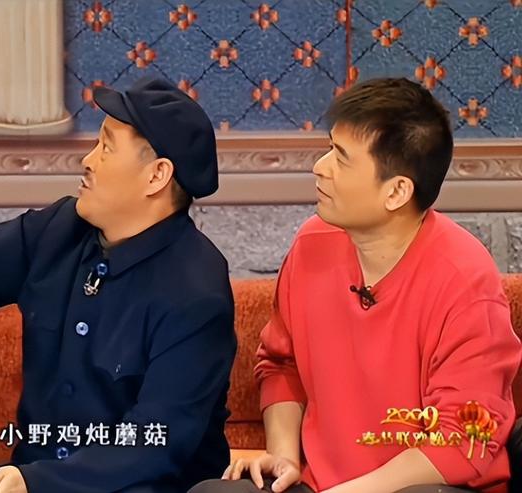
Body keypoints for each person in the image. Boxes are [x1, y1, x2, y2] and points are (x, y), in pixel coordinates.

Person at [0, 77, 236, 493]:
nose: (87, 160)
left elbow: (153, 445)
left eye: (106, 147)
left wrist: (38, 481)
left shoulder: (196, 291)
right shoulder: (61, 229)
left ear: (157, 175)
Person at [190, 78, 522, 493]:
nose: (320, 166)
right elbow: (280, 364)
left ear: (396, 191)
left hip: (428, 486)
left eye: (342, 159)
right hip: (323, 484)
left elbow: (463, 442)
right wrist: (284, 456)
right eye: (329, 148)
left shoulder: (465, 279)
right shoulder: (313, 244)